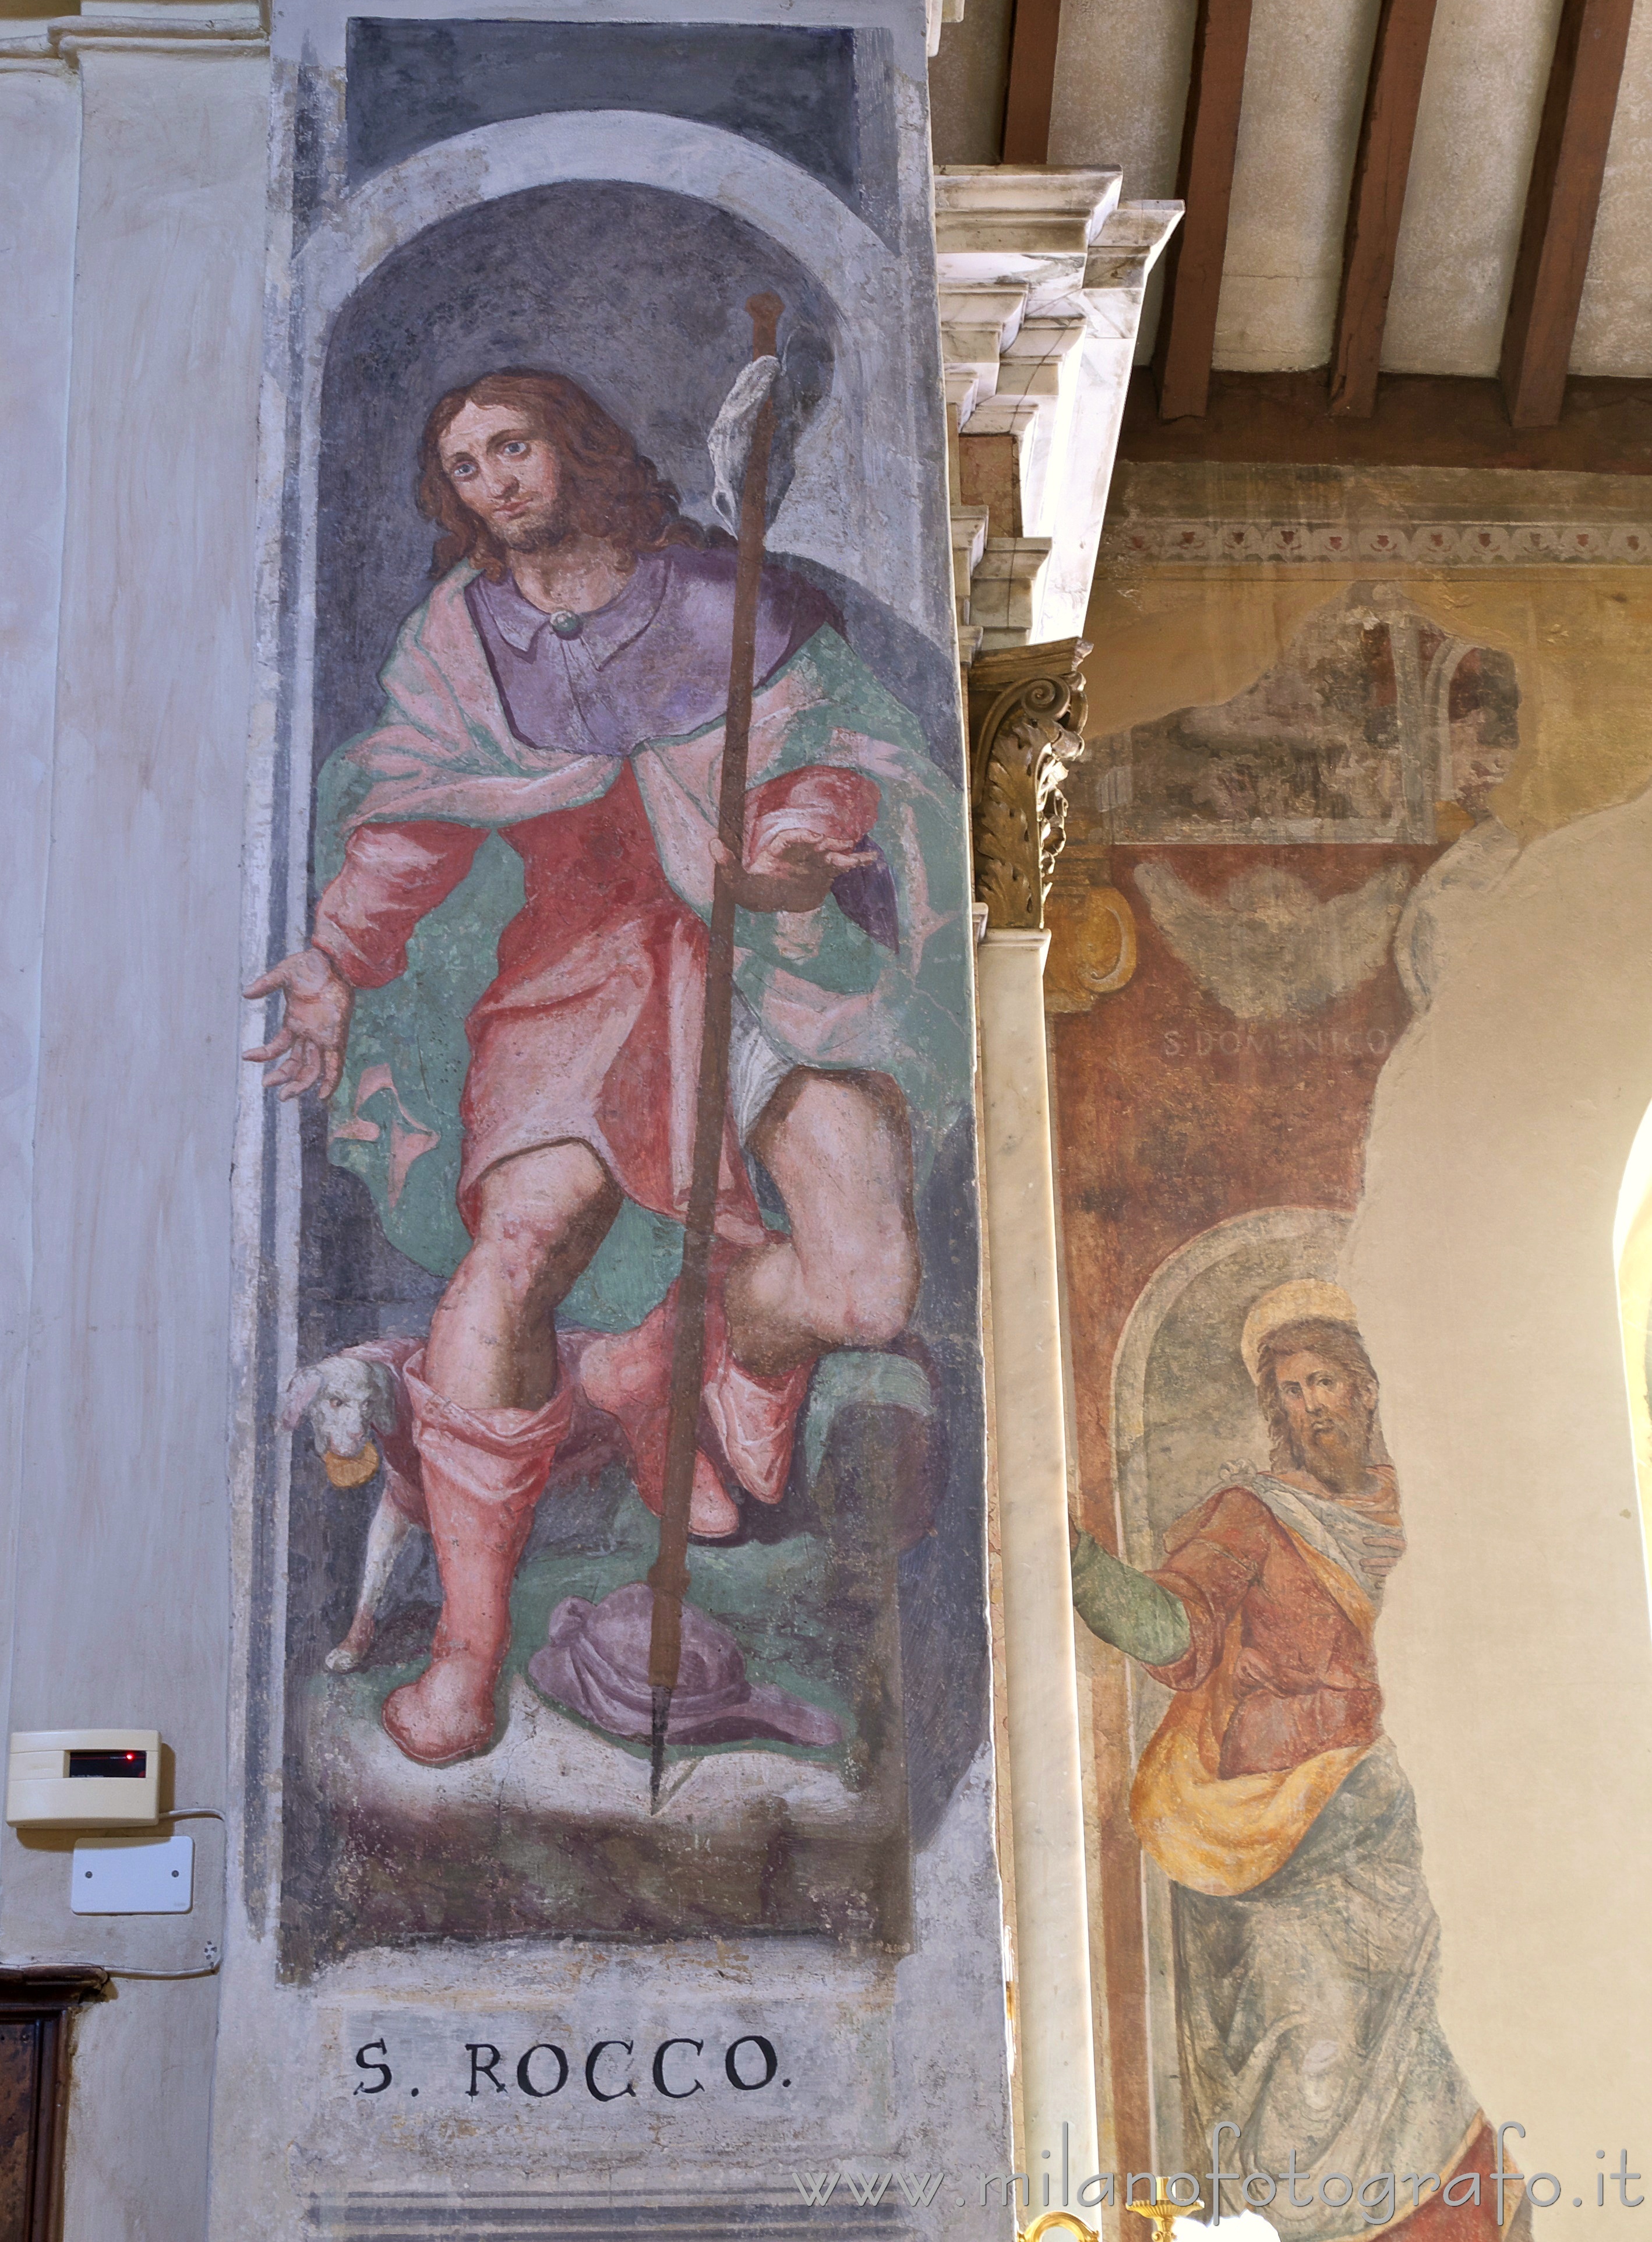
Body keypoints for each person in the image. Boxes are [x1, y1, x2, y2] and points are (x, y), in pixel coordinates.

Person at [245, 369, 966, 1768]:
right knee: (510, 1253)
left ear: (571, 447)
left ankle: (654, 1363)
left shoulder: (720, 599)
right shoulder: (460, 639)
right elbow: (408, 814)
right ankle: (466, 1653)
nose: (493, 482)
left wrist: (798, 838)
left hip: (759, 962)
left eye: (513, 447)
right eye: (462, 466)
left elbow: (841, 754)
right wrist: (337, 955)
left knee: (867, 1289)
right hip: (579, 968)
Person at [1070, 1281, 1526, 2242]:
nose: (1308, 1404)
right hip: (1275, 1854)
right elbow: (1178, 1629)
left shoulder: (1424, 1506)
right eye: (1288, 1390)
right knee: (1307, 2038)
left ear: (1367, 1390)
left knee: (1466, 2033)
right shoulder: (1254, 1515)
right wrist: (1075, 1567)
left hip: (1410, 1839)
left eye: (1324, 1381)